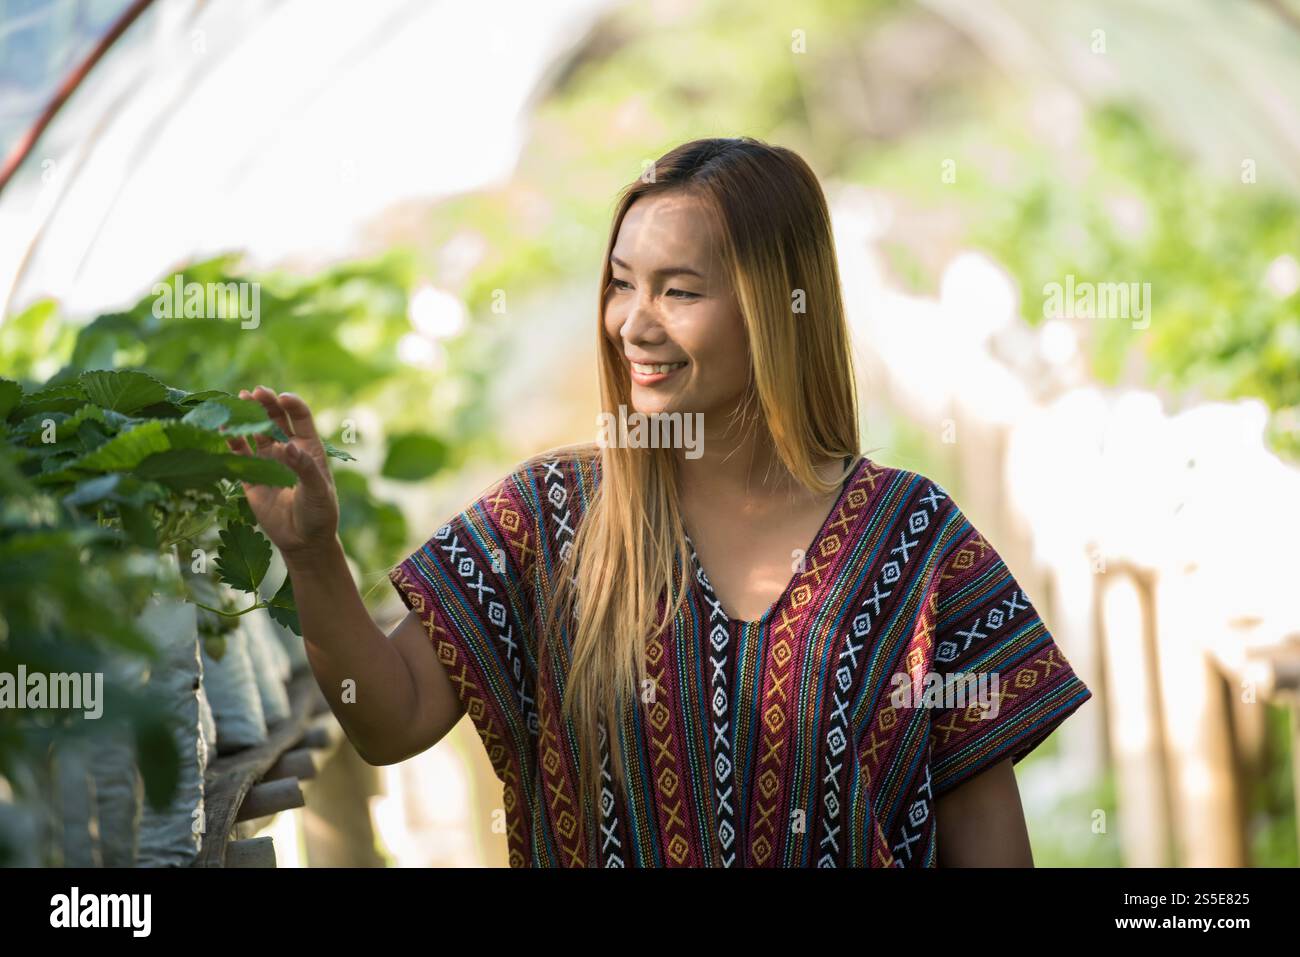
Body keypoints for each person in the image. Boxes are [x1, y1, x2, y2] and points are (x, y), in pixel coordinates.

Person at [228, 136, 1092, 868]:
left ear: (776, 309)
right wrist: (311, 555)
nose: (634, 322)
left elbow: (990, 846)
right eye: (621, 283)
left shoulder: (916, 540)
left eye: (679, 290)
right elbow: (392, 715)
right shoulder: (547, 517)